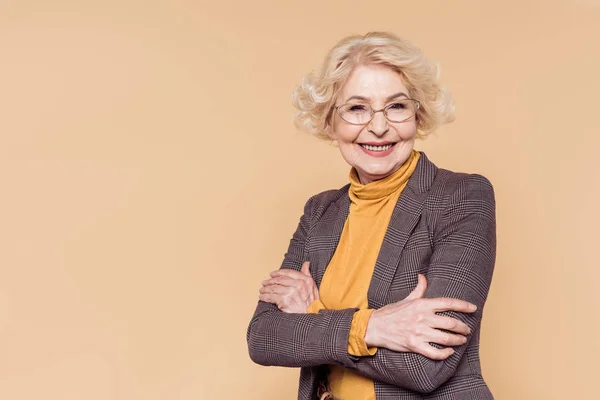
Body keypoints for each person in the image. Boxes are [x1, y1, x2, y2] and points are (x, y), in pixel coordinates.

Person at [246, 31, 496, 400]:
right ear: (330, 122)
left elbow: (427, 366)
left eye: (396, 106)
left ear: (418, 114)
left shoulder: (461, 197)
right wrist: (373, 327)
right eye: (357, 108)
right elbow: (264, 337)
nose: (378, 127)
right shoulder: (320, 211)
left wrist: (312, 314)